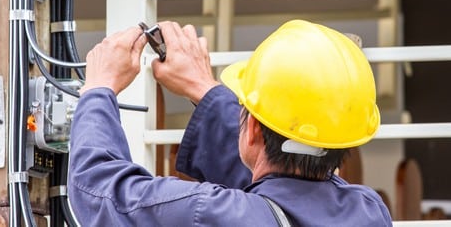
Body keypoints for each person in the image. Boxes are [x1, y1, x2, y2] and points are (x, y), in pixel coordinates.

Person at [68, 20, 393, 226]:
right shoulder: (367, 212)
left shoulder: (210, 214)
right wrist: (201, 87)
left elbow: (98, 191)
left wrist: (99, 87)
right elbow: (283, 193)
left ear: (251, 128)